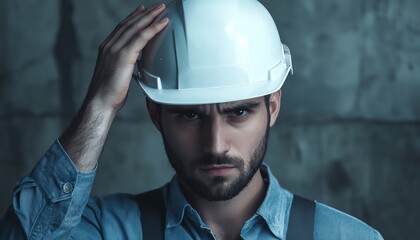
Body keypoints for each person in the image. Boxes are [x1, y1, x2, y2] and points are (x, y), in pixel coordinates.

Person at [0, 0, 383, 239]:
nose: (215, 144)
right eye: (188, 115)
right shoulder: (109, 230)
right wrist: (100, 104)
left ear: (273, 108)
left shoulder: (348, 237)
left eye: (238, 112)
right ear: (156, 115)